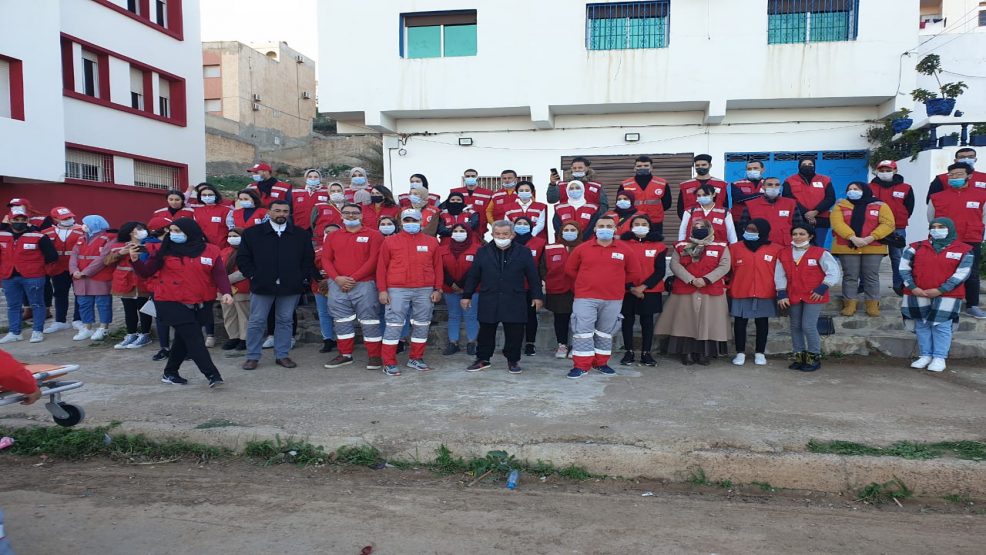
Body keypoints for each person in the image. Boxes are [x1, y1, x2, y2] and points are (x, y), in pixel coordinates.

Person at [132, 218, 231, 387]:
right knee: (194, 338)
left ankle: (170, 372)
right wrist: (135, 261)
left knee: (182, 339)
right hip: (170, 300)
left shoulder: (211, 250)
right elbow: (147, 272)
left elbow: (219, 274)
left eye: (178, 231)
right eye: (171, 231)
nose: (173, 234)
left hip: (201, 300)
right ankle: (212, 375)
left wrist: (226, 292)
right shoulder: (164, 250)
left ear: (191, 232)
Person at [238, 200, 318, 370]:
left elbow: (307, 259)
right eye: (277, 211)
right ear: (269, 212)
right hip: (262, 285)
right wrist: (253, 275)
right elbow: (243, 258)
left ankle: (282, 355)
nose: (281, 214)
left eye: (285, 211)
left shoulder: (300, 234)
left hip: (290, 286)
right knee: (257, 321)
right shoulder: (252, 233)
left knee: (285, 320)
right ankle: (252, 356)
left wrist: (299, 277)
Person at [564, 215, 641, 378]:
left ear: (615, 229)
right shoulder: (582, 248)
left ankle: (601, 363)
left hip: (613, 298)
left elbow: (634, 273)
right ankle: (581, 366)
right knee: (583, 332)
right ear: (595, 229)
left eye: (608, 226)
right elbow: (570, 270)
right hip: (585, 297)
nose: (605, 229)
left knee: (605, 333)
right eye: (601, 226)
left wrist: (615, 283)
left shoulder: (624, 249)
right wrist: (586, 282)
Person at [462, 220, 544, 373]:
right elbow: (473, 275)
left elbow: (533, 276)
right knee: (486, 330)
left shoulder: (524, 252)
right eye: (498, 234)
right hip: (489, 297)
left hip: (514, 298)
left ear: (512, 234)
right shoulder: (482, 251)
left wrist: (537, 296)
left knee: (515, 331)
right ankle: (483, 359)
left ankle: (513, 360)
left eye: (505, 234)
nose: (501, 236)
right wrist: (467, 295)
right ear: (492, 234)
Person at [900, 218, 974, 373]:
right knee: (922, 324)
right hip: (918, 292)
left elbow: (962, 273)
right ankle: (925, 355)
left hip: (948, 294)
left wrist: (941, 289)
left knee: (942, 326)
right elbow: (904, 268)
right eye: (933, 227)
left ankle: (939, 357)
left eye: (941, 227)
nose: (936, 229)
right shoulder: (916, 247)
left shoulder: (964, 249)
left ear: (950, 229)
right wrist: (913, 287)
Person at [376, 209, 443, 376]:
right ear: (401, 223)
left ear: (421, 222)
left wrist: (438, 288)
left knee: (422, 324)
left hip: (424, 289)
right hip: (397, 289)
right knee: (394, 325)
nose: (410, 223)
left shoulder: (432, 242)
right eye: (407, 220)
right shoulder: (390, 241)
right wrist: (382, 290)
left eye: (414, 220)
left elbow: (438, 267)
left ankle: (416, 358)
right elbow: (381, 267)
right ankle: (389, 362)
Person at [656, 219, 731, 365]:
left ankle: (704, 353)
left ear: (709, 228)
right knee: (685, 321)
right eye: (696, 227)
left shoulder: (721, 246)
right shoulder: (683, 246)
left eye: (702, 227)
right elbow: (675, 264)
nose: (699, 229)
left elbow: (724, 266)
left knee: (708, 321)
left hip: (711, 289)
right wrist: (690, 279)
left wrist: (706, 279)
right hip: (686, 288)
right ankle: (686, 352)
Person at [321, 204, 385, 370]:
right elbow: (326, 260)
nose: (350, 216)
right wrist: (337, 278)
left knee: (369, 320)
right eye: (346, 213)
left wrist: (353, 278)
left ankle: (374, 356)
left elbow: (374, 260)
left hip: (364, 284)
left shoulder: (374, 235)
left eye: (355, 213)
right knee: (341, 320)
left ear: (361, 216)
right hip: (337, 284)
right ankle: (345, 354)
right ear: (341, 216)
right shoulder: (333, 236)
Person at [776, 224, 842, 372]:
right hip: (793, 294)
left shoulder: (820, 253)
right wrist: (781, 293)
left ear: (810, 236)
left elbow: (833, 271)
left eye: (802, 234)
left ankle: (814, 357)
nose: (797, 237)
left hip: (814, 295)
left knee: (808, 325)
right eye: (795, 234)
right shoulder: (784, 253)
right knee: (795, 326)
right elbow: (779, 274)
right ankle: (799, 357)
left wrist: (822, 287)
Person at [927, 163, 986, 319]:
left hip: (970, 239)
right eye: (951, 175)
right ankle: (941, 302)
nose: (954, 178)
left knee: (971, 273)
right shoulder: (937, 197)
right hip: (944, 240)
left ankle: (972, 305)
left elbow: (984, 218)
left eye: (959, 174)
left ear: (969, 176)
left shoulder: (981, 196)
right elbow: (931, 218)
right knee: (942, 271)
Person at [830, 181, 894, 317]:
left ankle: (872, 305)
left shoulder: (880, 205)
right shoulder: (840, 205)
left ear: (865, 190)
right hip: (847, 246)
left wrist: (870, 238)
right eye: (850, 189)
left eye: (856, 189)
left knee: (871, 276)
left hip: (873, 246)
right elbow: (837, 223)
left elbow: (888, 224)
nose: (852, 191)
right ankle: (849, 305)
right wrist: (853, 238)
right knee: (850, 276)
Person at [728, 219, 782, 366]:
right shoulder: (735, 248)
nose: (749, 232)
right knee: (740, 323)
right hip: (740, 290)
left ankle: (760, 353)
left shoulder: (776, 249)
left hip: (765, 291)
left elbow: (780, 272)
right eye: (748, 229)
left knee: (762, 323)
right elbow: (728, 270)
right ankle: (740, 353)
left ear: (763, 232)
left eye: (753, 230)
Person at [0, 212, 58, 344]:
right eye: (16, 219)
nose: (20, 222)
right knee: (12, 306)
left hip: (33, 276)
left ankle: (37, 331)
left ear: (27, 221)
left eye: (23, 219)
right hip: (9, 276)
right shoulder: (2, 235)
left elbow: (52, 256)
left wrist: (40, 270)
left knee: (37, 304)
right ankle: (14, 332)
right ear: (10, 221)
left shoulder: (39, 236)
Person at [618, 215, 666, 367]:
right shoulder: (622, 244)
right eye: (636, 224)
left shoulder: (659, 246)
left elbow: (660, 271)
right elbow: (619, 268)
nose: (640, 226)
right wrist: (631, 287)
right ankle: (629, 352)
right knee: (627, 321)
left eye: (643, 224)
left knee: (647, 321)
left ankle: (646, 353)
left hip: (649, 291)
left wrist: (643, 286)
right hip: (628, 290)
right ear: (631, 227)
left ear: (649, 226)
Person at [868, 160, 914, 296]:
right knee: (870, 258)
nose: (884, 173)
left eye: (888, 170)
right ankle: (864, 285)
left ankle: (899, 285)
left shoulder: (906, 188)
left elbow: (909, 207)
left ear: (895, 171)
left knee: (897, 257)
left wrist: (899, 219)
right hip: (873, 228)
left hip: (897, 228)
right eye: (881, 170)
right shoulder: (869, 187)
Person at [105, 221, 154, 350]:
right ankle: (131, 333)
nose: (140, 231)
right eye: (136, 229)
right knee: (129, 309)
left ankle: (145, 334)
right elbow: (107, 261)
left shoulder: (149, 244)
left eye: (142, 229)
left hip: (142, 281)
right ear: (129, 232)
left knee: (144, 309)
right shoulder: (118, 245)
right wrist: (121, 253)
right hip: (124, 281)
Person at [69, 215, 114, 342]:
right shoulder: (81, 238)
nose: (84, 226)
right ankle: (87, 327)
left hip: (99, 276)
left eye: (86, 224)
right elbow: (74, 255)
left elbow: (102, 259)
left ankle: (103, 327)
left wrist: (85, 272)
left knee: (103, 303)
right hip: (80, 277)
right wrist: (74, 270)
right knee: (84, 303)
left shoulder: (108, 239)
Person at [541, 221, 581, 358]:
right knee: (561, 319)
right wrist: (549, 281)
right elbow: (542, 268)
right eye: (567, 229)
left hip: (581, 290)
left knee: (580, 320)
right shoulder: (550, 248)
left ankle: (577, 345)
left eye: (573, 229)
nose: (569, 232)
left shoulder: (585, 247)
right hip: (558, 289)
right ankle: (562, 345)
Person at [441, 223, 481, 356]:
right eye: (455, 230)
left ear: (468, 233)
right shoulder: (443, 249)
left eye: (462, 230)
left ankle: (472, 342)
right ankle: (453, 343)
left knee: (471, 316)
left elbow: (476, 270)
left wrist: (462, 285)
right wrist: (452, 284)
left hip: (472, 289)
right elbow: (440, 268)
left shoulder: (478, 249)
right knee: (453, 315)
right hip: (449, 288)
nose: (458, 233)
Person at [41, 207, 84, 333]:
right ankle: (60, 321)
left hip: (77, 267)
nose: (68, 220)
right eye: (64, 218)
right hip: (58, 268)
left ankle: (78, 319)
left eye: (70, 217)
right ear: (55, 219)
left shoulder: (83, 230)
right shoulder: (46, 232)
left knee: (79, 293)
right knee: (59, 294)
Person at [510, 215, 547, 355]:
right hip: (512, 286)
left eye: (525, 223)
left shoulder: (540, 242)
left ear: (531, 226)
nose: (522, 225)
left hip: (531, 286)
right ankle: (515, 343)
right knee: (513, 316)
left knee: (530, 316)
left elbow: (543, 265)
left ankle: (530, 343)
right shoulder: (508, 241)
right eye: (519, 223)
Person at [782, 157, 835, 246]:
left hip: (820, 219)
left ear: (814, 166)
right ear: (799, 166)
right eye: (804, 164)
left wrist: (815, 212)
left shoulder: (825, 180)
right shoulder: (790, 180)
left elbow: (830, 198)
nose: (807, 166)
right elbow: (788, 198)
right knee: (799, 245)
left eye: (810, 164)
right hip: (799, 219)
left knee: (818, 247)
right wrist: (806, 213)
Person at [739, 177, 800, 246]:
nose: (773, 187)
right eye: (770, 185)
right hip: (760, 245)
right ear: (763, 187)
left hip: (785, 245)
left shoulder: (790, 203)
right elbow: (743, 226)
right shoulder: (750, 204)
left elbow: (798, 225)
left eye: (777, 185)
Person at [220, 227, 250, 352]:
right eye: (230, 236)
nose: (232, 238)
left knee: (244, 315)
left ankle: (245, 339)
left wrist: (224, 280)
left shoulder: (248, 251)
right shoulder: (224, 251)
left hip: (241, 287)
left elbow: (244, 271)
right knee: (229, 314)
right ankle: (233, 337)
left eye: (235, 235)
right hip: (224, 290)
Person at [619, 156, 671, 227]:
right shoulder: (625, 185)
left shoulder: (662, 183)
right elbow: (620, 204)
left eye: (646, 165)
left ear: (651, 167)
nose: (642, 168)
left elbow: (667, 204)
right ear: (634, 168)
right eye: (639, 166)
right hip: (633, 221)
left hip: (655, 222)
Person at [311, 225, 338, 354]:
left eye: (334, 232)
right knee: (323, 313)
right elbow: (309, 266)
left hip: (340, 286)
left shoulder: (346, 249)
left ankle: (342, 339)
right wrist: (319, 281)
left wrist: (331, 280)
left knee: (341, 314)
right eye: (327, 232)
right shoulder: (316, 251)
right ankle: (327, 339)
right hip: (319, 287)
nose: (330, 234)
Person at [677, 154, 728, 218]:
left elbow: (726, 206)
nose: (700, 167)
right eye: (697, 165)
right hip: (693, 223)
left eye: (704, 165)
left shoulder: (721, 184)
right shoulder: (685, 186)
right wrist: (688, 221)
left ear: (710, 165)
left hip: (716, 222)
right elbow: (680, 208)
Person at [451, 168, 494, 236]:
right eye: (467, 176)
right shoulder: (455, 192)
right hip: (459, 229)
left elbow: (490, 211)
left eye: (473, 176)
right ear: (464, 178)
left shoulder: (488, 193)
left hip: (479, 230)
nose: (470, 178)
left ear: (477, 178)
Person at [191, 183, 231, 250]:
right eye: (204, 195)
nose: (207, 197)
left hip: (222, 246)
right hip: (203, 246)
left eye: (210, 195)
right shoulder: (197, 211)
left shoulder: (226, 210)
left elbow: (231, 229)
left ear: (216, 196)